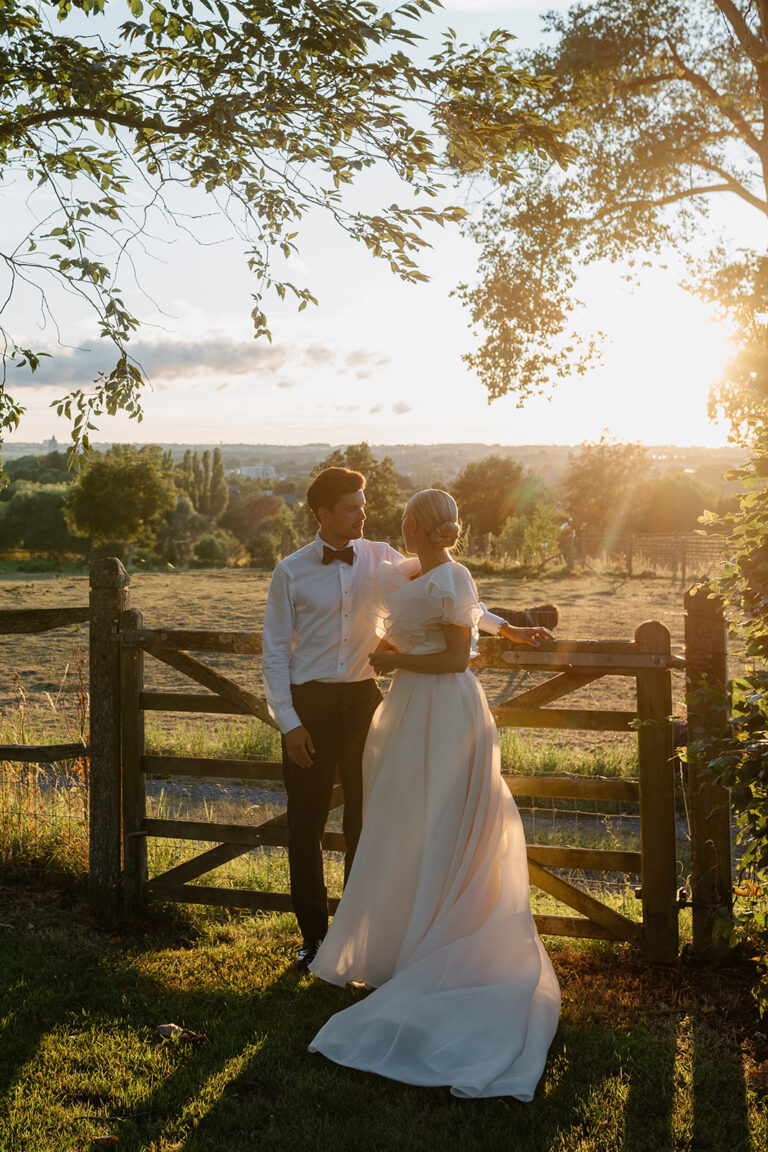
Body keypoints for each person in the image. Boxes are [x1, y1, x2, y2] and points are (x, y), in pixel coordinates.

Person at [308, 489, 560, 1100]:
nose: (396, 524)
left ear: (415, 525)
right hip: (411, 712)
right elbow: (467, 609)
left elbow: (452, 658)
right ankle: (402, 944)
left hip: (444, 707)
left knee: (447, 820)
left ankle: (445, 939)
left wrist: (391, 659)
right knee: (404, 822)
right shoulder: (412, 567)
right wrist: (508, 627)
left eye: (403, 519)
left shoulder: (451, 573)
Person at [262, 468, 545, 969]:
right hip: (310, 706)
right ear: (322, 514)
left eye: (362, 505)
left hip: (368, 704)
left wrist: (506, 629)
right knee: (304, 825)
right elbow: (274, 654)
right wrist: (289, 723)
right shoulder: (290, 571)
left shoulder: (380, 557)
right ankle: (312, 938)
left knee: (368, 823)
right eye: (351, 507)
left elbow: (449, 588)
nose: (363, 514)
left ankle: (358, 935)